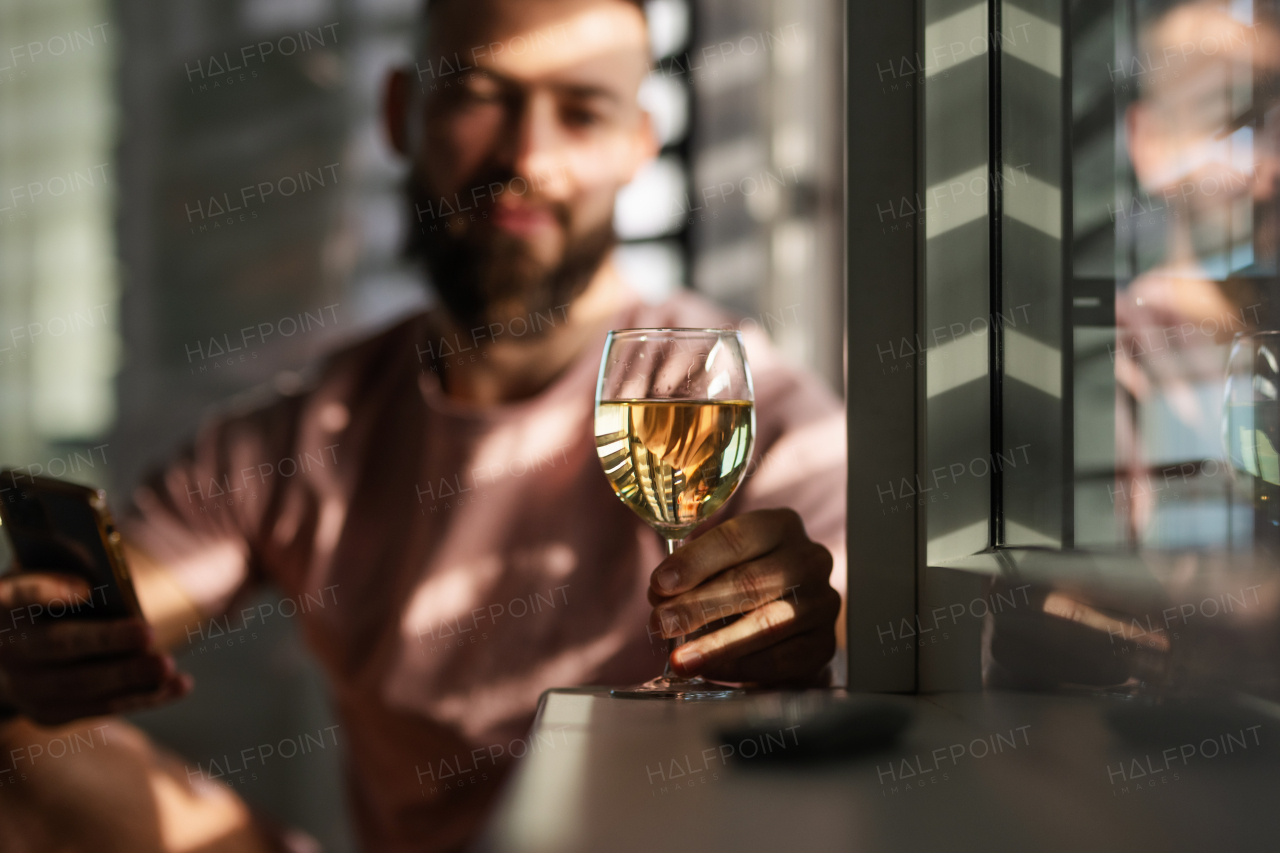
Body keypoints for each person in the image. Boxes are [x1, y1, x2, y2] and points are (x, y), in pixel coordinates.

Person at [0, 0, 846, 849]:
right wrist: (34, 640)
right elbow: (104, 613)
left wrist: (811, 627)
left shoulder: (747, 413)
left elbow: (840, 613)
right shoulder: (307, 434)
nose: (526, 158)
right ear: (403, 114)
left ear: (638, 142)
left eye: (581, 111)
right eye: (481, 95)